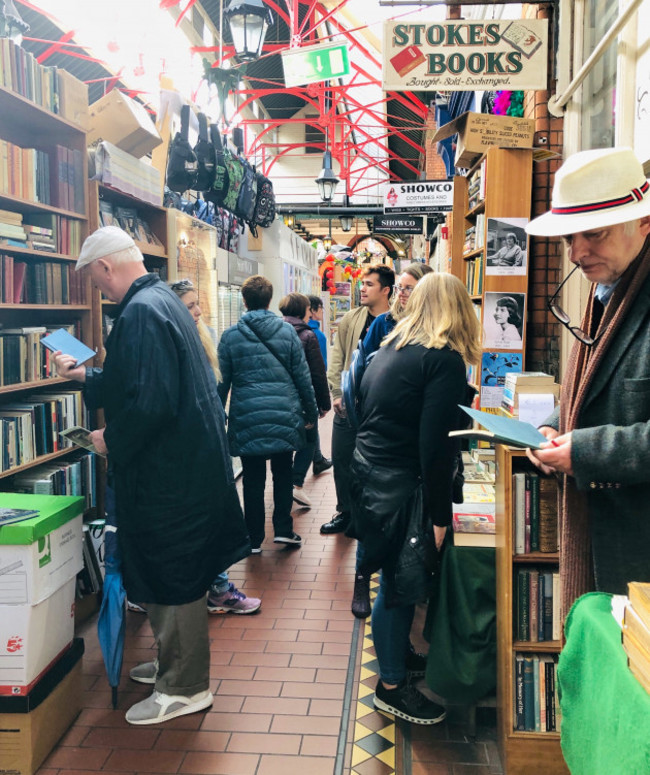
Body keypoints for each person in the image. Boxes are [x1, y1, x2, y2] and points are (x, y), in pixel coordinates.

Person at [53, 225, 250, 725]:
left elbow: (151, 402)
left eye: (98, 283)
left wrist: (108, 440)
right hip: (186, 470)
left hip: (170, 480)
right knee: (172, 573)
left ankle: (185, 686)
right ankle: (172, 664)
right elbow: (142, 381)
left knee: (174, 576)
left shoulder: (140, 313)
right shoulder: (162, 299)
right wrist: (85, 378)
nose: (101, 292)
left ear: (105, 267)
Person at [350, 272, 482, 725]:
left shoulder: (392, 348)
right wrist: (440, 516)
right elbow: (435, 446)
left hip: (373, 477)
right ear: (460, 309)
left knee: (392, 577)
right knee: (400, 587)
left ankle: (398, 659)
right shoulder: (444, 360)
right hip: (403, 485)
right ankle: (390, 687)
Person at [525, 146, 650, 622]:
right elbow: (592, 391)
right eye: (568, 239)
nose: (577, 253)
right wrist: (553, 427)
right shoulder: (610, 290)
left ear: (644, 221)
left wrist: (587, 449)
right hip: (606, 546)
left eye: (593, 234)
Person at [169, 278, 261, 615]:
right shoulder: (175, 343)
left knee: (211, 520)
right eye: (189, 305)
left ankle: (217, 586)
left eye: (197, 303)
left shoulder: (202, 339)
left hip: (206, 447)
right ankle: (215, 588)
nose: (197, 311)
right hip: (191, 452)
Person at [349, 262, 433, 619]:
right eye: (400, 287)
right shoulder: (385, 324)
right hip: (381, 441)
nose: (402, 293)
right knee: (375, 521)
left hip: (407, 446)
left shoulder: (434, 333)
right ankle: (361, 577)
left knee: (399, 529)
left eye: (409, 287)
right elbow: (363, 373)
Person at [217, 275, 318, 552]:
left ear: (244, 300)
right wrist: (310, 412)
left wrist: (218, 417)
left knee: (252, 478)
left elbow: (221, 383)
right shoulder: (287, 333)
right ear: (270, 300)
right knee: (283, 472)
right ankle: (283, 530)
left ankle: (253, 538)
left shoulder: (230, 336)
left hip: (247, 415)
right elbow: (302, 378)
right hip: (283, 414)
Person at [320, 264, 395, 535]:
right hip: (349, 406)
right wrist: (338, 393)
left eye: (369, 284)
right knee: (342, 460)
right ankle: (346, 513)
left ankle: (373, 516)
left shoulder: (398, 321)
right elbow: (337, 355)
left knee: (378, 463)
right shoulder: (352, 318)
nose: (362, 288)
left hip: (383, 408)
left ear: (386, 290)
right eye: (362, 283)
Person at [278, 292, 331, 508]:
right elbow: (317, 373)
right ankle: (296, 484)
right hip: (302, 398)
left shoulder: (275, 332)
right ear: (304, 311)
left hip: (279, 398)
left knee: (282, 445)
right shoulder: (308, 336)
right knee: (308, 440)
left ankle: (284, 486)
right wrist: (324, 403)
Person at [306, 294, 332, 475]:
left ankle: (318, 458)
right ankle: (314, 461)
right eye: (321, 308)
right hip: (311, 388)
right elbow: (321, 368)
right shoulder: (318, 335)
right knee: (311, 424)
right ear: (313, 311)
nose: (323, 311)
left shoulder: (290, 330)